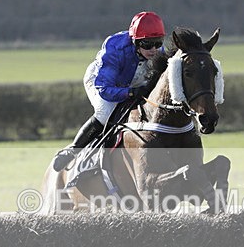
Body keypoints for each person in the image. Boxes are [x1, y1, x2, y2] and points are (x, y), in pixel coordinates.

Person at [51, 11, 166, 172]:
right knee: (106, 112)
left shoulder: (159, 52)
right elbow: (105, 89)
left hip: (135, 78)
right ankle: (72, 151)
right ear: (135, 41)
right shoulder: (115, 48)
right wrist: (132, 93)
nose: (154, 49)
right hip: (102, 81)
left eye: (158, 43)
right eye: (147, 44)